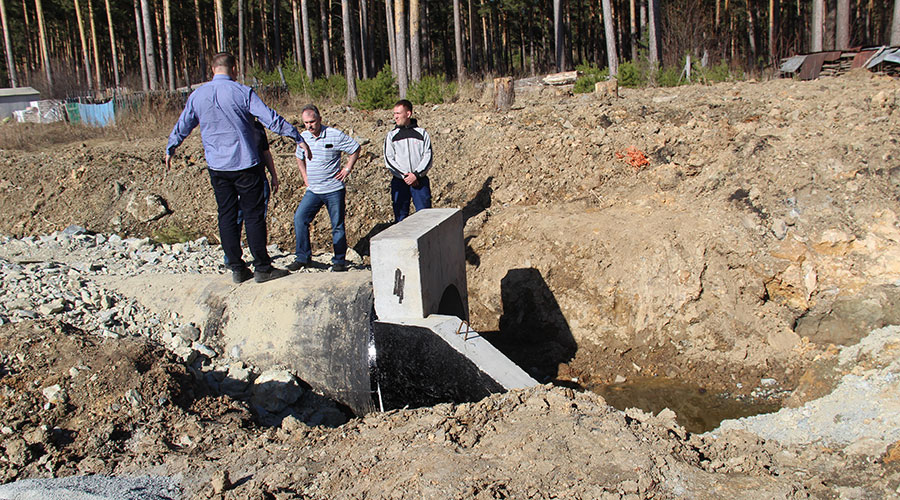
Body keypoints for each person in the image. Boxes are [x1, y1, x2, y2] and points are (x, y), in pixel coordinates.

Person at [165, 52, 310, 284]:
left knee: (227, 215)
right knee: (253, 217)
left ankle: (237, 267)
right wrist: (295, 136)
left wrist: (171, 147)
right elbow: (269, 118)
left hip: (217, 166)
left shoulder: (197, 95)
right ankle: (262, 267)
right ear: (234, 69)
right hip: (245, 164)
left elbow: (184, 124)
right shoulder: (242, 92)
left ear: (213, 70)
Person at [288, 104, 360, 273]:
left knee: (337, 225)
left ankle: (339, 260)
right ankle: (303, 257)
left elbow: (355, 148)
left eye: (312, 121)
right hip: (313, 190)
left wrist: (347, 168)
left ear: (319, 119)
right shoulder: (303, 138)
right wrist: (305, 177)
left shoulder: (334, 135)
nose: (309, 126)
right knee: (300, 218)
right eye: (306, 123)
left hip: (333, 189)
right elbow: (299, 158)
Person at [225, 121, 278, 266]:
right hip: (240, 178)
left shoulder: (258, 127)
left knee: (257, 218)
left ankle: (259, 257)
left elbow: (266, 152)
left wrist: (273, 175)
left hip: (260, 177)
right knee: (236, 217)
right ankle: (232, 258)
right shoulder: (232, 125)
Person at [383, 99, 433, 222]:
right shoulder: (391, 136)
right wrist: (406, 176)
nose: (395, 117)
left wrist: (416, 175)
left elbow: (428, 156)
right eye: (394, 113)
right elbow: (389, 159)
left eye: (398, 113)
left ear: (408, 114)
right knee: (400, 219)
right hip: (400, 182)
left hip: (419, 182)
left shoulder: (422, 134)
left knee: (425, 218)